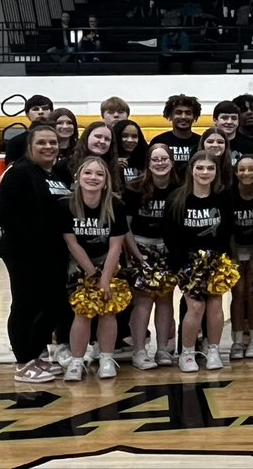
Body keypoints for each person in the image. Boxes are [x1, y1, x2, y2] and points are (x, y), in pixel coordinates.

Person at [0, 125, 71, 383]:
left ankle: (35, 356)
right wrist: (32, 246)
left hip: (54, 253)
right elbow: (7, 215)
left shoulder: (57, 173)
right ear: (30, 146)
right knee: (25, 306)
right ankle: (23, 362)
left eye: (53, 142)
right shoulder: (20, 173)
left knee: (56, 305)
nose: (49, 146)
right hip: (25, 253)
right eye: (42, 142)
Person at [60, 156, 129, 381]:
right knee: (83, 312)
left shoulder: (115, 205)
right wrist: (91, 274)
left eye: (99, 174)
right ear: (78, 178)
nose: (93, 177)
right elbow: (72, 243)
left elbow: (116, 245)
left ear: (106, 181)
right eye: (88, 173)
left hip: (107, 261)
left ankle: (107, 358)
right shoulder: (65, 205)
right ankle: (77, 360)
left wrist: (105, 279)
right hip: (79, 264)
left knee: (108, 310)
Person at [164, 151, 232, 372]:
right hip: (187, 262)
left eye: (210, 168)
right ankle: (188, 352)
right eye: (200, 168)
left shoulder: (223, 198)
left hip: (216, 260)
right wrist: (182, 265)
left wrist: (220, 263)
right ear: (191, 170)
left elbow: (226, 233)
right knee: (195, 306)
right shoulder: (177, 198)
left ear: (216, 172)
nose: (205, 172)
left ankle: (213, 350)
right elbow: (170, 236)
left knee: (215, 305)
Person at [121, 144, 179, 370]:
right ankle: (139, 351)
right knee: (143, 301)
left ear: (172, 162)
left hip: (168, 250)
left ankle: (163, 349)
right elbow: (124, 227)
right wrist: (134, 254)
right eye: (155, 159)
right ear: (148, 163)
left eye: (164, 158)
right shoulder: (134, 188)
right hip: (140, 246)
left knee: (165, 300)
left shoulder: (179, 188)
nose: (160, 163)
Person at [230, 155, 253, 360]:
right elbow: (227, 231)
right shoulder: (229, 195)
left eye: (251, 169)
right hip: (234, 248)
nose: (246, 173)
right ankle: (236, 341)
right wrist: (235, 258)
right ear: (236, 173)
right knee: (238, 293)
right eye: (242, 170)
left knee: (252, 293)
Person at [150, 94, 202, 173]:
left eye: (188, 113)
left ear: (194, 116)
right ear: (170, 115)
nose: (183, 117)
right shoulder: (159, 141)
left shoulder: (202, 141)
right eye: (178, 112)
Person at [5, 95, 55, 165]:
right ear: (27, 114)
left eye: (45, 108)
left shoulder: (60, 138)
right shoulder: (16, 142)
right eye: (35, 109)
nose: (41, 112)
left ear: (52, 112)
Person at [213, 101, 253, 166]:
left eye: (234, 118)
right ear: (215, 120)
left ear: (238, 121)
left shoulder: (249, 147)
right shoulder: (205, 144)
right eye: (224, 118)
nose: (229, 122)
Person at [112, 119, 147, 184]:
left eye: (134, 136)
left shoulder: (147, 158)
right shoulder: (106, 158)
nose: (130, 140)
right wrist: (113, 165)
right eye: (124, 136)